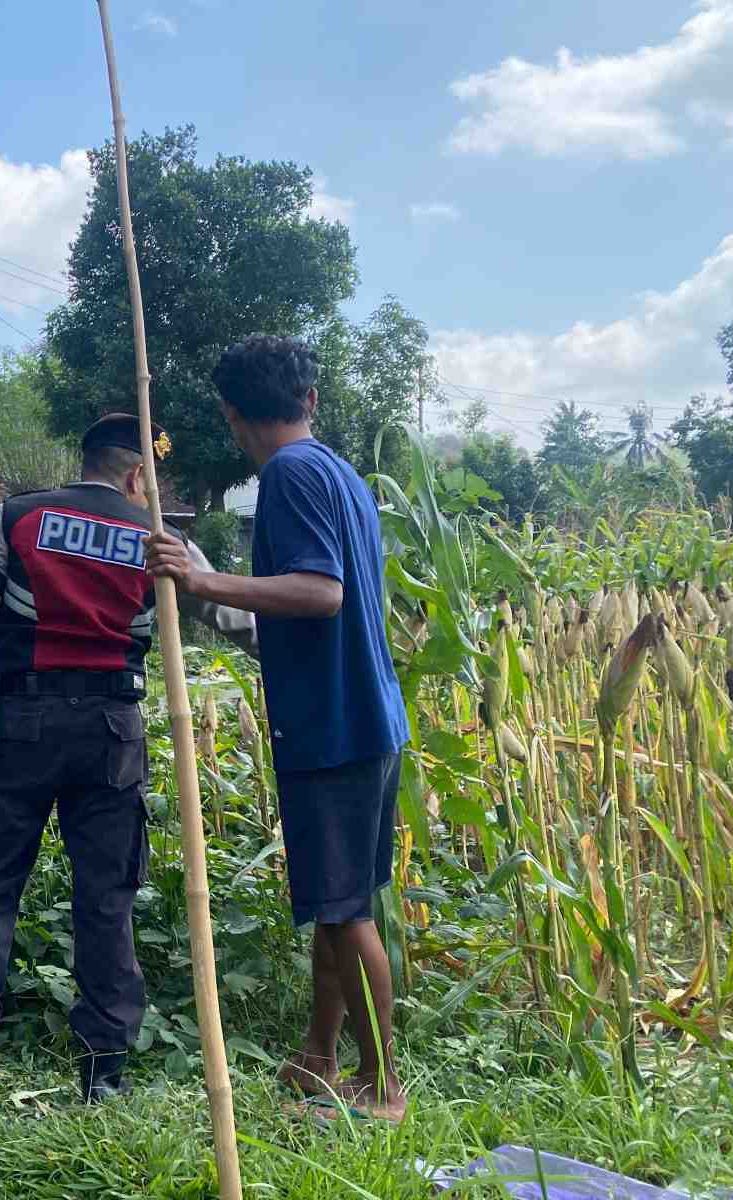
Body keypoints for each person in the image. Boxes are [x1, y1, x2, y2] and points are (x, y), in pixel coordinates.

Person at [0, 415, 256, 1129]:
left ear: (88, 461)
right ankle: (103, 1076)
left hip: (15, 724)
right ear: (136, 474)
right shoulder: (158, 539)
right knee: (106, 898)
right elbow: (232, 616)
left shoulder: (16, 518)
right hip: (111, 734)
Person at [148, 334, 410, 1122]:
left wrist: (201, 581)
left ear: (232, 414)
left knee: (346, 912)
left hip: (333, 725)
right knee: (337, 901)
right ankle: (319, 1056)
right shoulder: (337, 473)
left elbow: (321, 592)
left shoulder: (290, 475)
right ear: (311, 399)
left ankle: (382, 1088)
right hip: (364, 716)